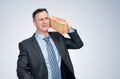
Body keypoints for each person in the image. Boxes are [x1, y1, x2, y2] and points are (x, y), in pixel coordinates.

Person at [16, 8, 84, 79]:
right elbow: (21, 71)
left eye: (46, 18)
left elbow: (78, 44)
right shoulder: (26, 45)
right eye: (41, 19)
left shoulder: (58, 37)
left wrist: (67, 27)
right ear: (34, 23)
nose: (44, 22)